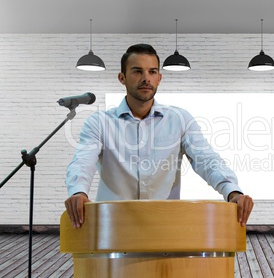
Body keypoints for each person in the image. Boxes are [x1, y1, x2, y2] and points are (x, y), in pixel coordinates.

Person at [64, 43, 253, 229]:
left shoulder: (179, 119)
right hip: (113, 227)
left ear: (159, 78)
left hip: (164, 228)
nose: (146, 78)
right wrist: (78, 192)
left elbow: (207, 160)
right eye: (137, 71)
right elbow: (82, 162)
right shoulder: (99, 123)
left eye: (152, 72)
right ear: (122, 78)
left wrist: (232, 192)